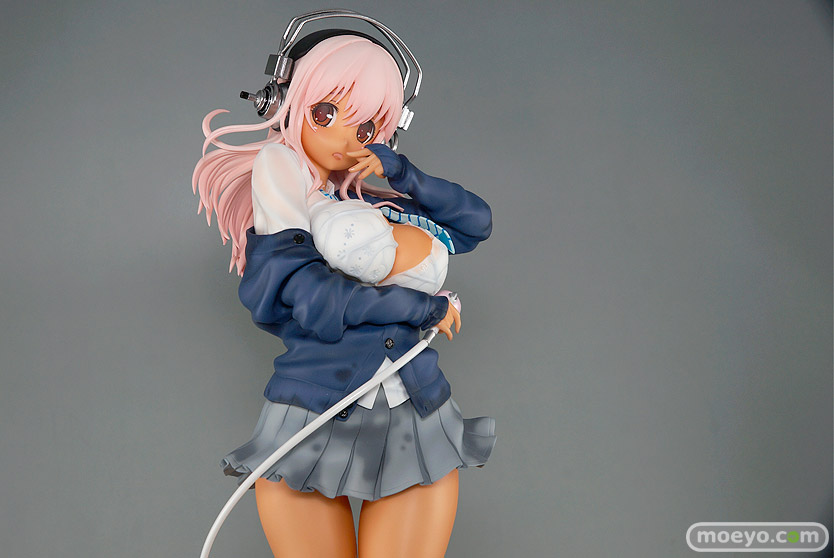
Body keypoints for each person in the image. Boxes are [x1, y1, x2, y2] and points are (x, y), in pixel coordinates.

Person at [193, 32, 495, 558]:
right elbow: (313, 298)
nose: (344, 138)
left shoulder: (367, 203)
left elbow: (475, 224)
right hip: (310, 417)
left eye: (366, 126)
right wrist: (423, 307)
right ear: (286, 101)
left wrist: (403, 174)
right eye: (325, 113)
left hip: (415, 415)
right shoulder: (285, 217)